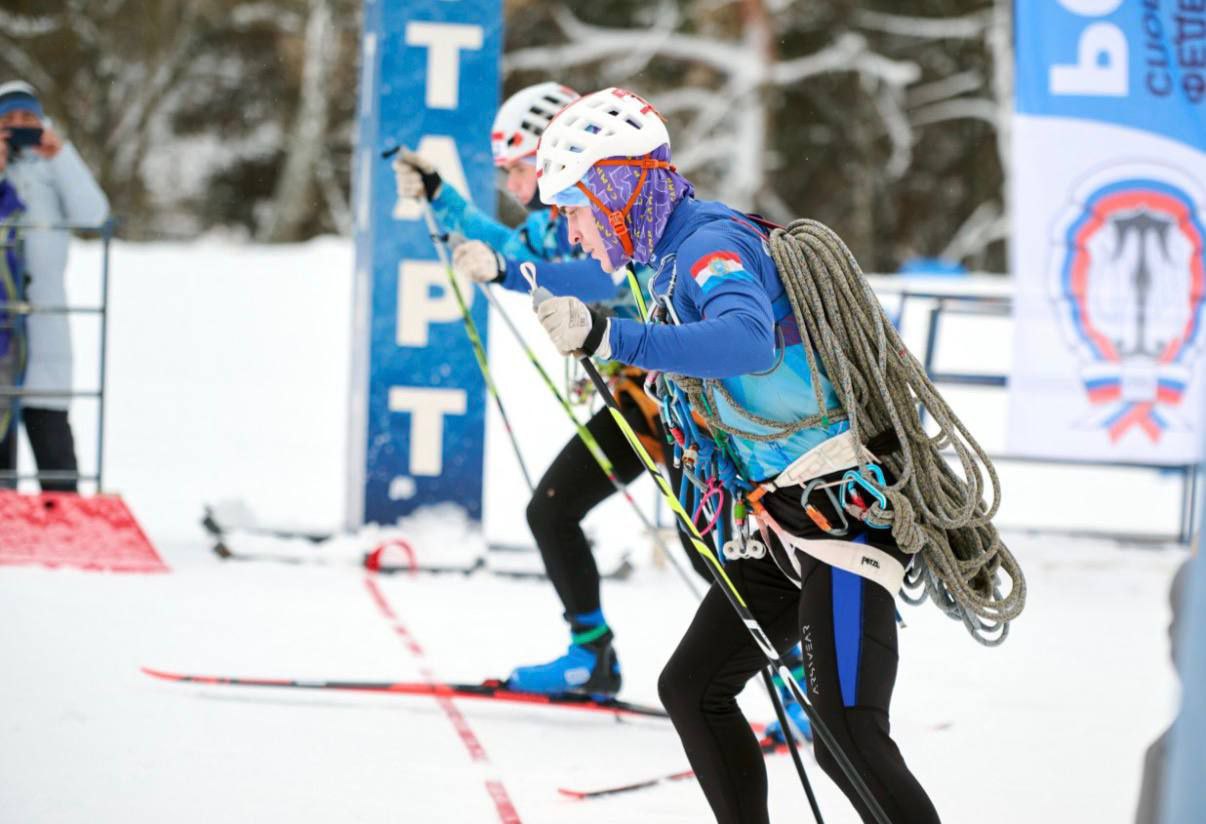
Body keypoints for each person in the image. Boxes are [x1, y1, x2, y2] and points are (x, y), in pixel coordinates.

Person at [532, 87, 942, 823]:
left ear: (616, 190)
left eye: (574, 208)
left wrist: (609, 338)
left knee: (847, 736)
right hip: (785, 521)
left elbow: (747, 340)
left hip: (845, 520)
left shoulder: (706, 245)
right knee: (693, 688)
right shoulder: (662, 257)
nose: (569, 230)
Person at [393, 83, 752, 707]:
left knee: (709, 549)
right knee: (557, 512)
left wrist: (506, 272)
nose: (509, 183)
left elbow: (595, 274)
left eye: (516, 168)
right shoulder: (559, 220)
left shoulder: (613, 214)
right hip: (643, 401)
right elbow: (510, 247)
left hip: (675, 400)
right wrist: (443, 202)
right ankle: (591, 654)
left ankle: (799, 673)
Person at [0, 81, 109, 493]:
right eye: (7, 120)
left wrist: (61, 157)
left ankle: (64, 517)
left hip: (47, 322)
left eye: (27, 119)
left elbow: (94, 216)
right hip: (1, 328)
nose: (18, 127)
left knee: (53, 438)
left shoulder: (56, 170)